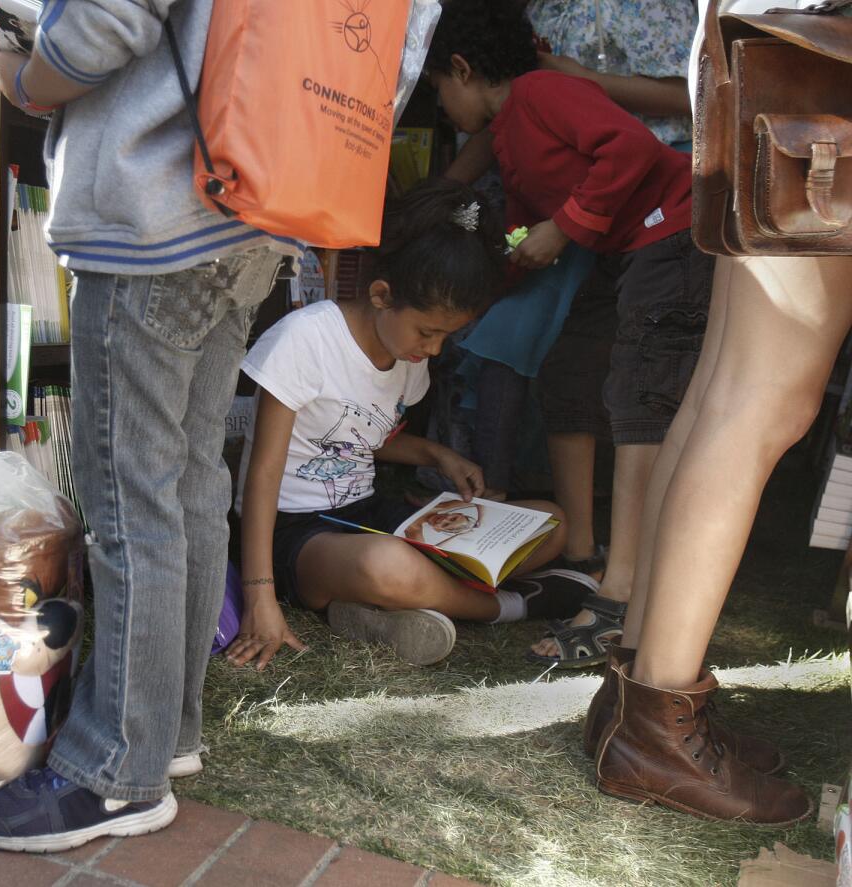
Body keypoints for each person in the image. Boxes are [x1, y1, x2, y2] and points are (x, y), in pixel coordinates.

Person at [0, 0, 299, 853]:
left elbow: (112, 15)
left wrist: (29, 81)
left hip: (157, 202)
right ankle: (166, 730)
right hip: (263, 201)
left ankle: (116, 771)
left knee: (131, 497)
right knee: (189, 480)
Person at [583, 0, 852, 827]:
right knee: (758, 403)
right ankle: (657, 725)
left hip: (774, 49)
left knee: (725, 393)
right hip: (813, 64)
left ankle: (639, 689)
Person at [425, 0, 713, 669]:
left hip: (674, 237)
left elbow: (634, 148)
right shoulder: (506, 138)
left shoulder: (542, 92)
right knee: (567, 375)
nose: (440, 107)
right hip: (618, 251)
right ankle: (583, 558)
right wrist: (479, 287)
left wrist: (568, 224)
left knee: (640, 403)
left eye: (437, 89)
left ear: (463, 70)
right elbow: (527, 234)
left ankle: (619, 602)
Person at [227, 179, 596, 671]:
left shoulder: (408, 354)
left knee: (549, 523)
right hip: (291, 533)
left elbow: (359, 438)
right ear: (382, 295)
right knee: (386, 565)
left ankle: (384, 605)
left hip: (367, 514)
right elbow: (262, 477)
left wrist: (436, 455)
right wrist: (259, 597)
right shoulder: (305, 339)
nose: (436, 348)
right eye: (428, 331)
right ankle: (510, 605)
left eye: (448, 334)